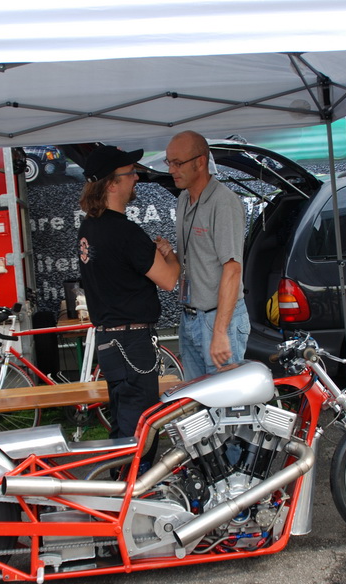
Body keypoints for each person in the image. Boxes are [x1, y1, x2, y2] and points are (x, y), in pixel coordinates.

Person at [77, 145, 180, 451]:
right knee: (140, 431)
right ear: (111, 184)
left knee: (124, 426)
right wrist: (170, 254)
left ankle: (121, 477)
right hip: (131, 343)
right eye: (130, 173)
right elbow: (169, 279)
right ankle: (136, 480)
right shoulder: (125, 232)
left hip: (109, 341)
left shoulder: (89, 227)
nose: (136, 177)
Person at [160, 131, 249, 379]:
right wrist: (170, 254)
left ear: (200, 162)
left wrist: (220, 332)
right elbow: (196, 259)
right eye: (169, 162)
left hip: (218, 319)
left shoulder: (224, 202)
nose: (171, 170)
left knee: (226, 400)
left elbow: (233, 269)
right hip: (189, 317)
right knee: (197, 396)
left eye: (178, 163)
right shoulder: (183, 198)